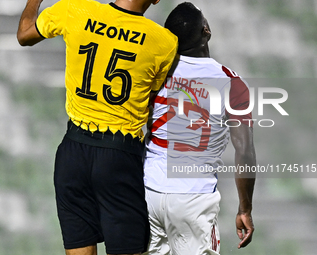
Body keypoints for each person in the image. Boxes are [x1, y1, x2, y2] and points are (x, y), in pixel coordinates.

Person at [17, 0, 178, 254]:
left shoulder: (75, 10)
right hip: (119, 156)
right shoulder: (164, 42)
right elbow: (151, 105)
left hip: (73, 151)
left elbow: (24, 35)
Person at [143, 2, 256, 255]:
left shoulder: (156, 73)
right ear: (206, 30)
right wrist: (244, 208)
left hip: (148, 191)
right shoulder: (231, 82)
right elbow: (244, 151)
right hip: (193, 197)